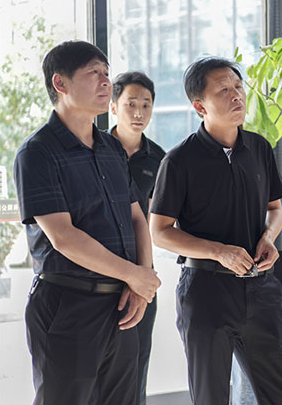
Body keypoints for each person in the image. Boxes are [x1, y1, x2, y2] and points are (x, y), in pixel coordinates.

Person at [13, 40, 161, 405]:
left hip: (122, 304)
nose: (105, 81)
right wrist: (134, 275)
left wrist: (141, 281)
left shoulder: (111, 149)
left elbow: (136, 216)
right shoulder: (37, 152)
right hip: (68, 303)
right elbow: (63, 237)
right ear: (60, 83)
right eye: (94, 73)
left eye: (107, 73)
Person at [149, 56, 282, 404]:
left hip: (261, 289)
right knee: (211, 397)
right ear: (199, 106)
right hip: (206, 293)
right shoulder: (179, 160)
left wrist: (268, 238)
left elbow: (275, 210)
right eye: (223, 90)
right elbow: (160, 231)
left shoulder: (260, 148)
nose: (236, 95)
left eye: (238, 86)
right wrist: (219, 251)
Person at [110, 71, 166, 405]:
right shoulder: (94, 149)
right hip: (98, 270)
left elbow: (157, 221)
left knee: (135, 368)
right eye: (131, 104)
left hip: (142, 274)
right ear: (113, 107)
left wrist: (142, 278)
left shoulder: (160, 160)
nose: (139, 112)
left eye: (146, 105)